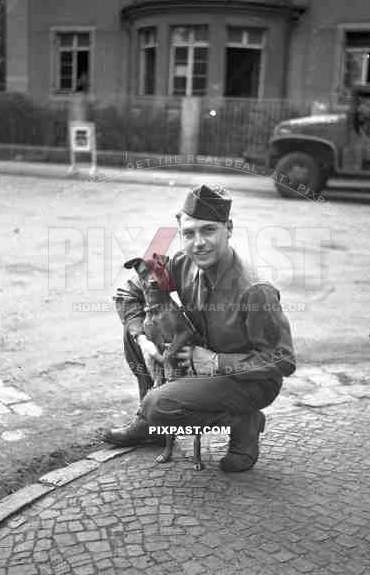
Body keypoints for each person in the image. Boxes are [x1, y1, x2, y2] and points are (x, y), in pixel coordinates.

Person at [104, 184, 296, 472]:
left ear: (228, 229)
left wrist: (215, 361)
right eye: (189, 233)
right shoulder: (184, 262)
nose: (198, 243)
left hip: (247, 382)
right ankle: (152, 427)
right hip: (200, 364)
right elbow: (128, 293)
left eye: (208, 231)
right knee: (137, 330)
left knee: (161, 405)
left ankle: (244, 421)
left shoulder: (255, 290)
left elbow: (282, 361)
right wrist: (143, 340)